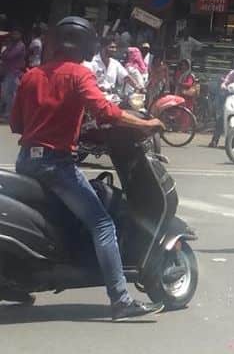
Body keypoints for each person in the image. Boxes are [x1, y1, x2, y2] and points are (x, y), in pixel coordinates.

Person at [9, 16, 165, 319]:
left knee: (56, 219)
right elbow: (106, 111)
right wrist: (146, 123)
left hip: (27, 160)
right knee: (102, 224)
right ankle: (120, 298)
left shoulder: (31, 76)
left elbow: (17, 124)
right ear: (84, 45)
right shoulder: (79, 75)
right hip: (57, 165)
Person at [88, 36, 140, 101]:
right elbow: (88, 82)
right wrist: (99, 89)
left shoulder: (115, 63)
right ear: (103, 48)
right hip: (96, 98)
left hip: (112, 99)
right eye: (112, 47)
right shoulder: (91, 62)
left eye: (115, 47)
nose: (114, 50)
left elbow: (126, 77)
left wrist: (138, 87)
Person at [0, 29, 26, 119]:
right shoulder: (11, 45)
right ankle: (8, 111)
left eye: (16, 34)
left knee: (13, 93)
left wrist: (7, 51)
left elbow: (10, 55)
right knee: (6, 93)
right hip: (8, 72)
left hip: (15, 72)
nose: (14, 35)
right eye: (13, 34)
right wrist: (7, 50)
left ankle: (11, 113)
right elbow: (3, 55)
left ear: (20, 35)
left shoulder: (20, 45)